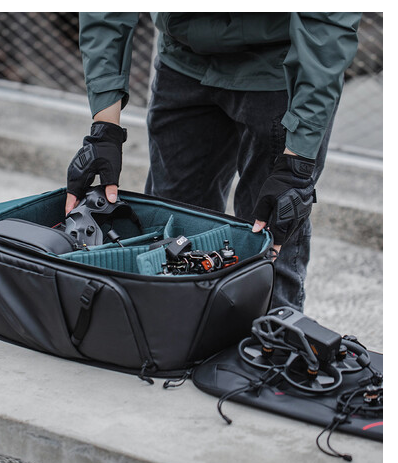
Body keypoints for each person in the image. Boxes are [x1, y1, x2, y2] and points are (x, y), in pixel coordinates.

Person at [66, 12, 361, 311]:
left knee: (272, 242)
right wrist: (105, 129)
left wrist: (298, 162)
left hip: (278, 69)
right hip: (182, 59)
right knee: (169, 242)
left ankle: (274, 331)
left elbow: (329, 22)